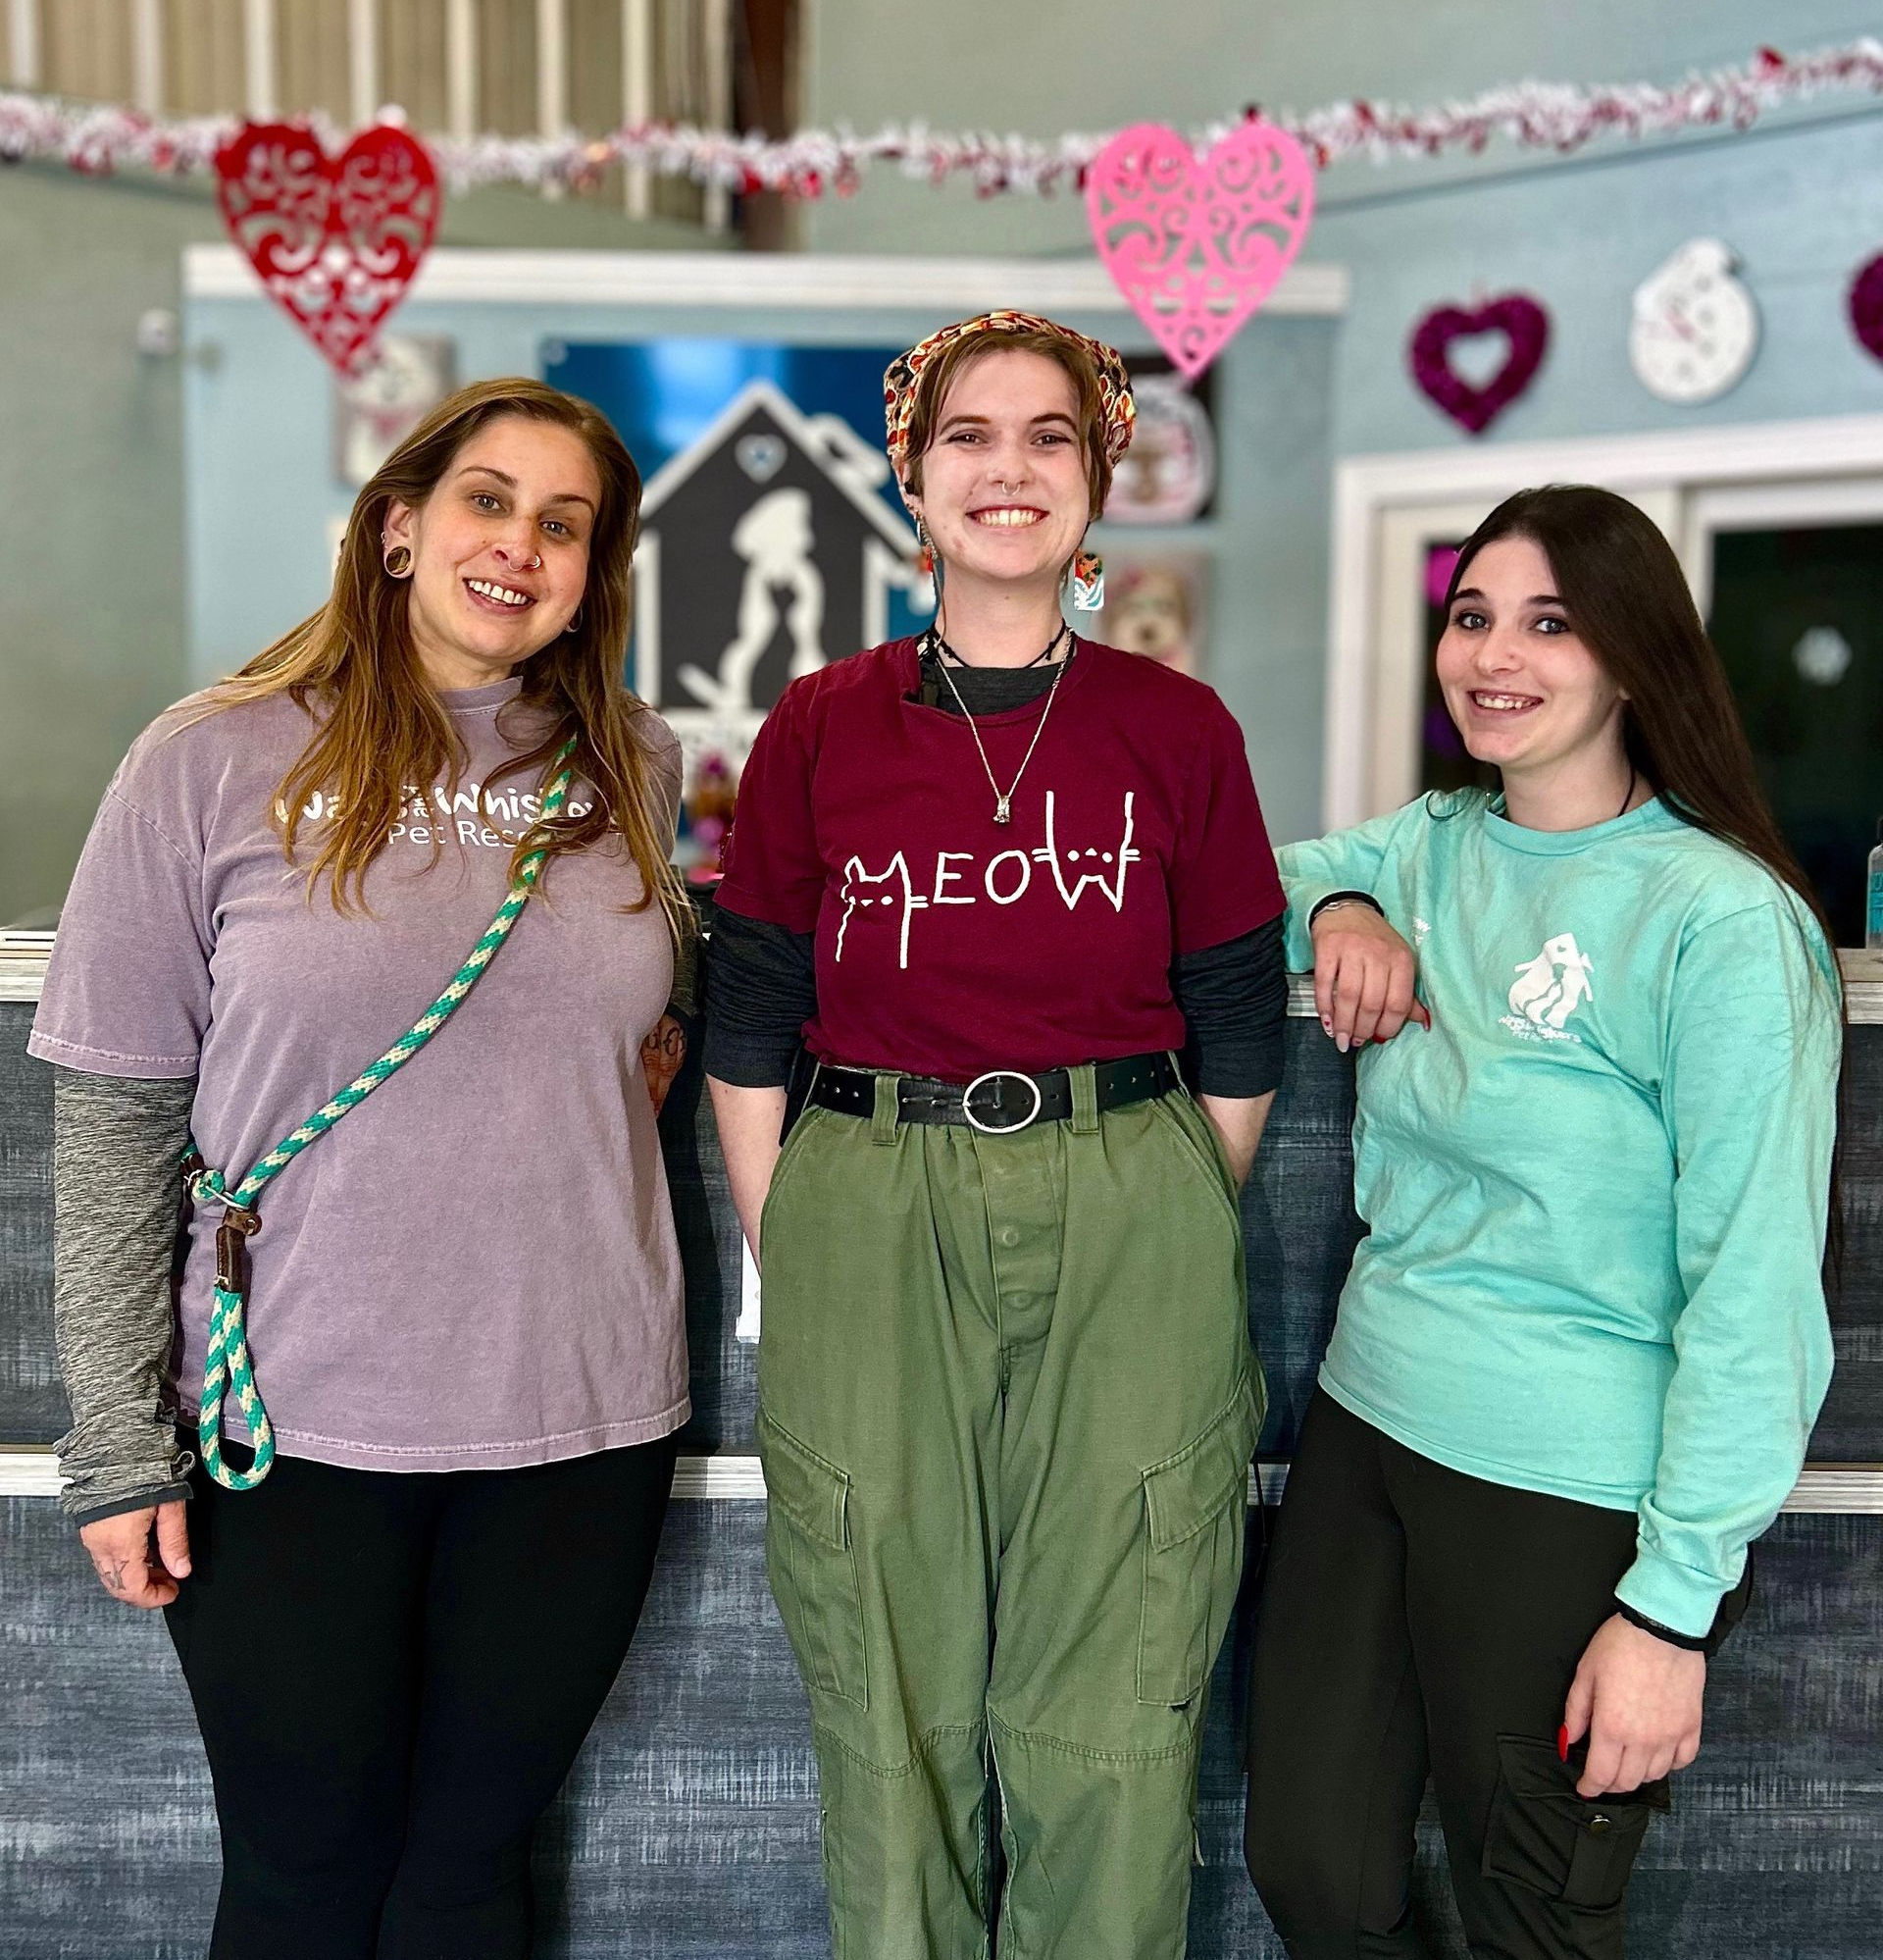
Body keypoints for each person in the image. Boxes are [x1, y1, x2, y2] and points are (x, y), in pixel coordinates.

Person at [33, 377, 692, 1960]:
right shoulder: (208, 761)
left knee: (473, 1875)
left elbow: (633, 1047)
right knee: (304, 1875)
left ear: (593, 572)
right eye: (485, 500)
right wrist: (120, 1440)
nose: (515, 546)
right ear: (398, 526)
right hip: (293, 1420)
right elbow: (119, 1118)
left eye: (562, 523)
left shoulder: (637, 769)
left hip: (578, 1420)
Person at [703, 310, 1289, 1960]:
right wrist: (802, 1233)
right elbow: (748, 1029)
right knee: (889, 1683)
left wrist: (1146, 1199)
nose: (1008, 469)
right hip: (869, 1190)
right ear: (913, 473)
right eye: (970, 434)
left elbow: (1240, 1036)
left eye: (1049, 436)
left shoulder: (1178, 731)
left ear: (1100, 484)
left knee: (1115, 1692)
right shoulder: (819, 727)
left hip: (1130, 1190)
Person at [1242, 486, 1842, 1959]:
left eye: (1550, 623)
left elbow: (1756, 1285)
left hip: (1566, 1481)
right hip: (1369, 1425)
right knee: (1310, 1870)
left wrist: (1673, 1610)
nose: (1493, 656)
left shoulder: (1720, 918)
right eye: (1471, 615)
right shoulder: (1436, 843)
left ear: (1634, 656)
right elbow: (1245, 892)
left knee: (1528, 1915)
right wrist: (1340, 916)